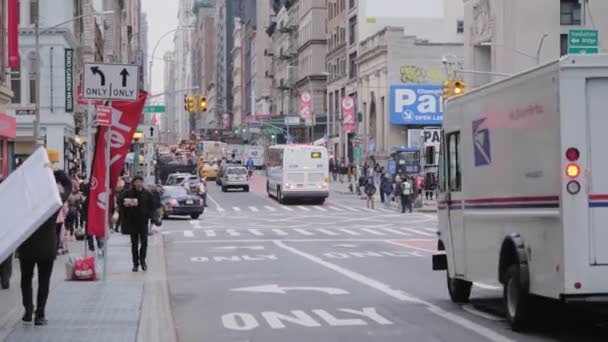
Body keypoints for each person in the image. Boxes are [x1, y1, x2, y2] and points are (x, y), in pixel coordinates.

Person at [19, 151, 72, 325]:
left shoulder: (25, 204)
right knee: (44, 281)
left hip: (27, 246)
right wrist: (56, 172)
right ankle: (40, 314)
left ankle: (28, 310)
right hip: (47, 247)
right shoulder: (53, 203)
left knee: (26, 279)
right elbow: (68, 185)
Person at [122, 176, 155, 272]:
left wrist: (150, 216)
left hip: (143, 221)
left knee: (144, 242)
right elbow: (121, 203)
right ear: (133, 183)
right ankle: (135, 264)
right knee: (134, 244)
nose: (139, 184)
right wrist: (126, 204)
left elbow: (152, 206)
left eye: (140, 182)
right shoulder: (128, 193)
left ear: (143, 183)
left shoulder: (147, 194)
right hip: (132, 221)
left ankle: (143, 261)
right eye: (137, 182)